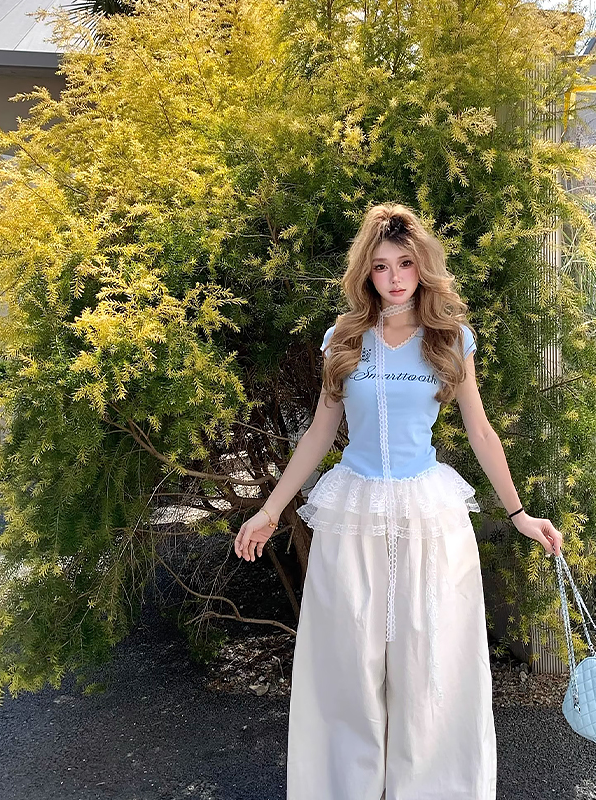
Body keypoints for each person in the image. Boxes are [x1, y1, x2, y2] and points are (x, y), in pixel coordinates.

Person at [234, 202, 563, 800]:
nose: (394, 277)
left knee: (432, 666)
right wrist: (270, 509)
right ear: (366, 271)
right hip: (352, 515)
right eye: (382, 265)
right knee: (346, 670)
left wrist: (519, 514)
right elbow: (319, 432)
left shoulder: (449, 340)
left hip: (428, 518)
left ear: (422, 267)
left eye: (405, 263)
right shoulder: (344, 339)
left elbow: (480, 431)